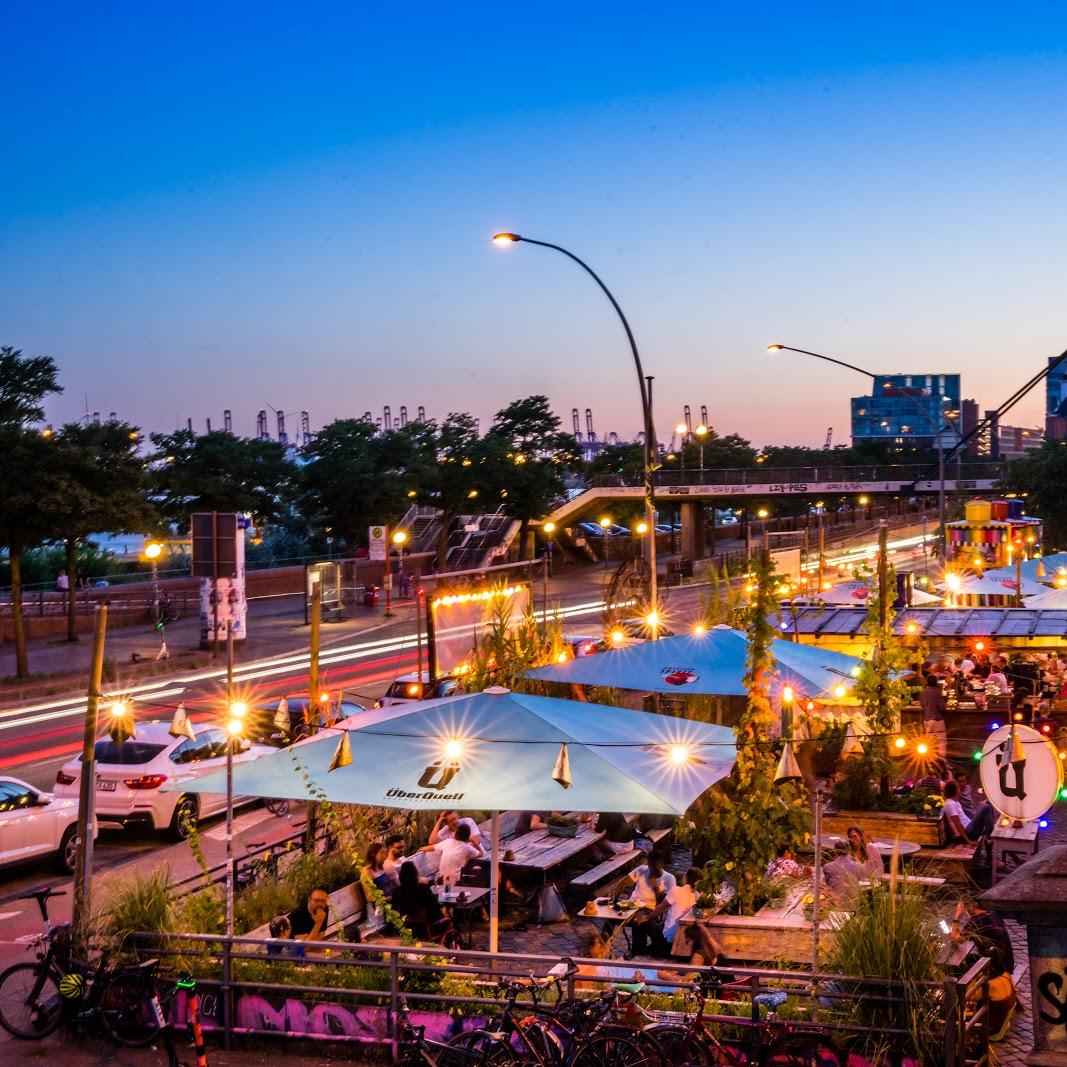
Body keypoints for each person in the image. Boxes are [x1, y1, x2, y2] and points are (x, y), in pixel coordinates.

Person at [390, 860, 456, 945]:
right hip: (429, 929)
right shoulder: (423, 889)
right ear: (415, 874)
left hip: (407, 929)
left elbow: (394, 911)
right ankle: (452, 944)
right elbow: (435, 910)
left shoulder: (396, 892)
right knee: (448, 921)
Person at [942, 780, 996, 845]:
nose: (959, 790)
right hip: (969, 832)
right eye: (958, 788)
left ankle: (988, 835)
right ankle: (988, 836)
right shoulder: (951, 804)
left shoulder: (954, 802)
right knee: (986, 807)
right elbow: (957, 824)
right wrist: (968, 841)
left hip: (970, 826)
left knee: (987, 804)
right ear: (954, 790)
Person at [919, 675, 947, 756]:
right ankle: (942, 760)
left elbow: (922, 705)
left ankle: (928, 759)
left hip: (927, 720)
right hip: (937, 720)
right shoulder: (937, 692)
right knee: (942, 741)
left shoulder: (923, 692)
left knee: (929, 742)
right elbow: (942, 707)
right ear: (936, 682)